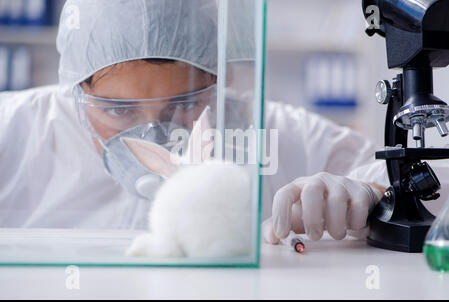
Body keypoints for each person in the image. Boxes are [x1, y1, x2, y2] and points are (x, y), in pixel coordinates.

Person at [0, 0, 448, 244]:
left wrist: (374, 195)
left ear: (220, 81)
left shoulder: (269, 128)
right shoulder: (19, 130)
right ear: (77, 92)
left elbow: (430, 182)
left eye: (183, 105)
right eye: (118, 111)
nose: (153, 134)